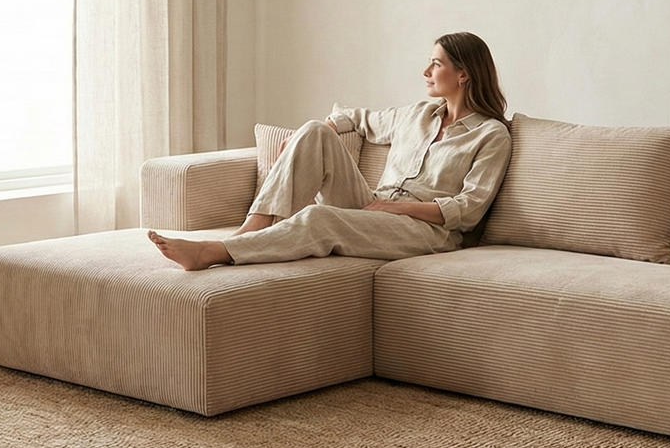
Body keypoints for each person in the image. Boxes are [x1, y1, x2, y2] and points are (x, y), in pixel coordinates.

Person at [149, 32, 512, 270]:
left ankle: (213, 253)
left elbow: (468, 210)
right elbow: (355, 118)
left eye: (436, 63)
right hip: (372, 206)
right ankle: (249, 231)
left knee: (319, 219)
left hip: (424, 232)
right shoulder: (417, 114)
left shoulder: (491, 135)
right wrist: (313, 135)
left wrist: (394, 206)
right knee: (314, 130)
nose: (426, 70)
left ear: (463, 74)